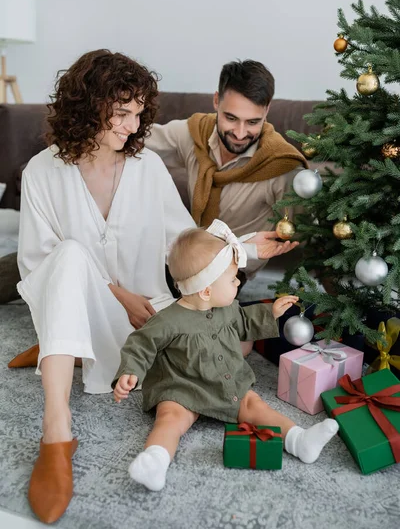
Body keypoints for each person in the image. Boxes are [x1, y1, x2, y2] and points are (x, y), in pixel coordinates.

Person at [8, 50, 301, 524]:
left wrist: (246, 248)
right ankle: (56, 430)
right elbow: (36, 268)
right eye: (121, 113)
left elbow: (184, 242)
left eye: (139, 113)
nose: (131, 125)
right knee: (65, 254)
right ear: (87, 106)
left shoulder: (145, 166)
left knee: (234, 344)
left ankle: (61, 347)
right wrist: (115, 294)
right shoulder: (42, 172)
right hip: (96, 306)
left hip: (150, 320)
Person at [113, 220, 339, 492]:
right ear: (206, 291)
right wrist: (130, 371)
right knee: (170, 417)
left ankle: (299, 439)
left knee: (255, 405)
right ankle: (156, 460)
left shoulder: (228, 307)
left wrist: (272, 313)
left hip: (226, 383)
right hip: (183, 387)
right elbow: (141, 343)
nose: (237, 283)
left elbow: (244, 320)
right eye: (233, 279)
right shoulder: (168, 321)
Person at [146, 59, 307, 278]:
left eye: (252, 122)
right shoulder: (196, 133)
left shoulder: (282, 168)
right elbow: (135, 140)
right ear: (216, 101)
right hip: (184, 258)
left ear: (267, 110)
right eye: (231, 118)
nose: (240, 134)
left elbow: (305, 231)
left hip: (230, 275)